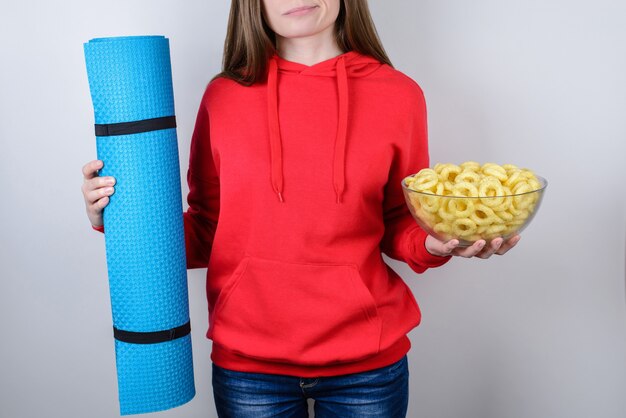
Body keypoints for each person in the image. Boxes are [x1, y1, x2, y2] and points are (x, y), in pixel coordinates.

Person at [81, 1, 520, 416]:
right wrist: (119, 221)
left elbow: (398, 220)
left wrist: (434, 242)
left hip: (367, 366)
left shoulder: (399, 94)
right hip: (248, 365)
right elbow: (208, 228)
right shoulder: (223, 97)